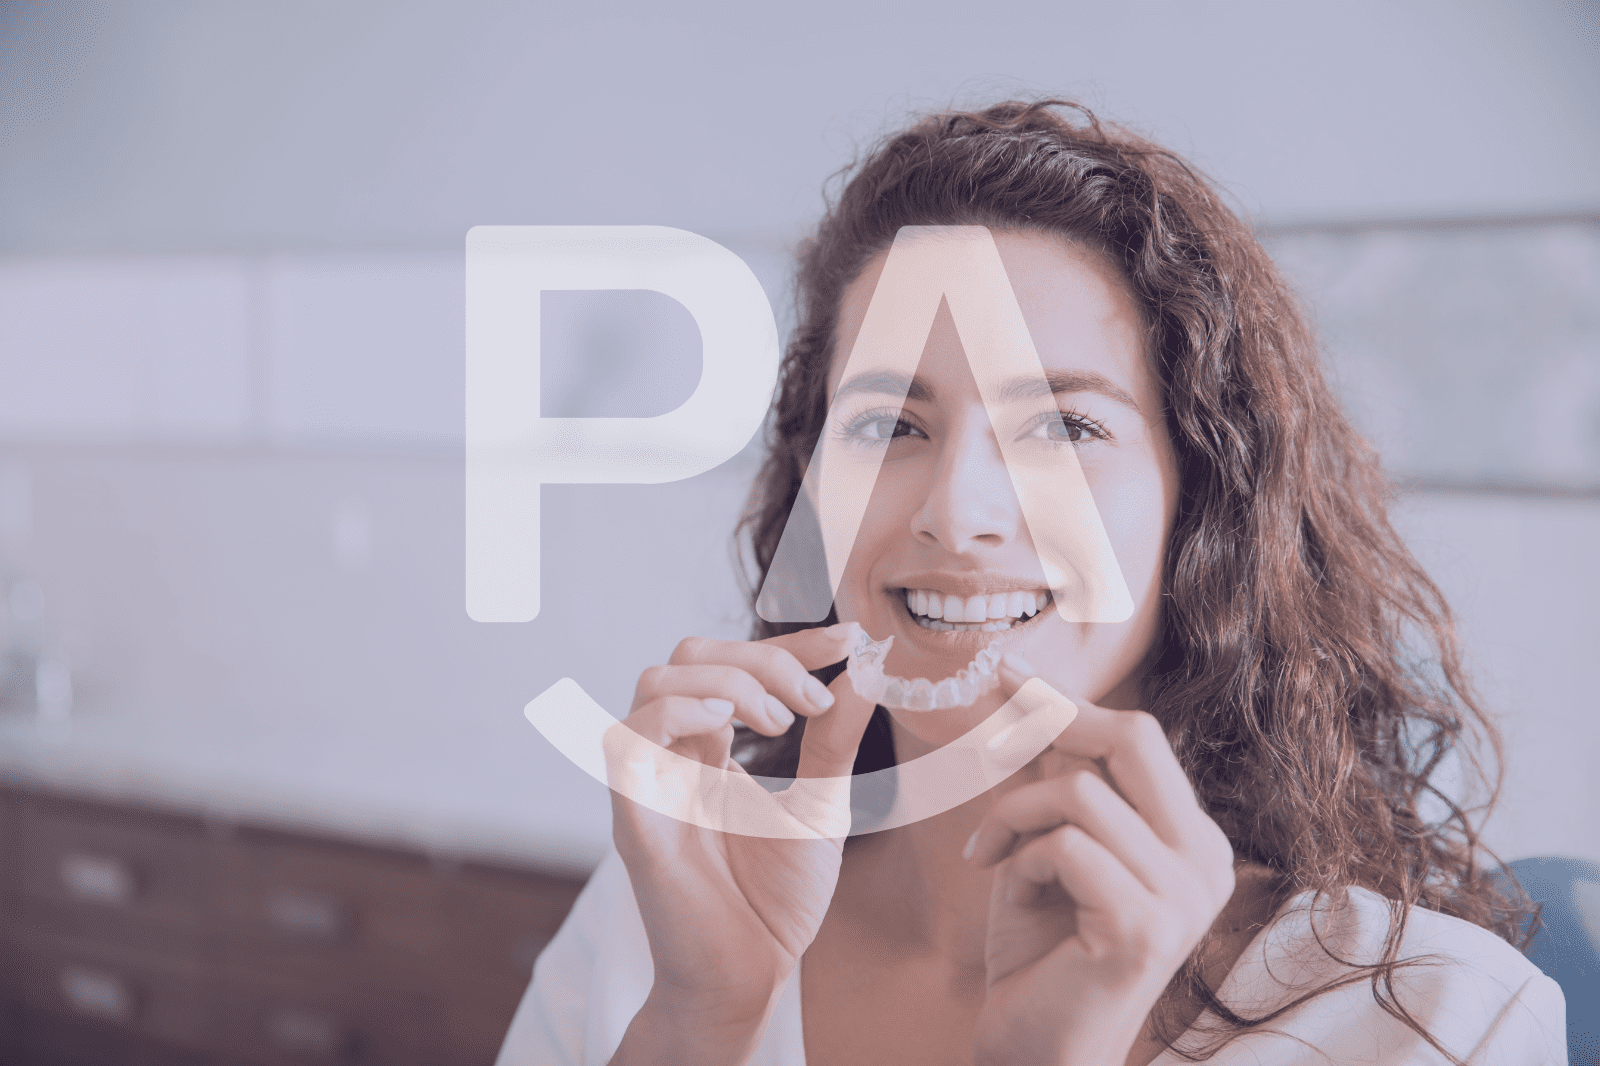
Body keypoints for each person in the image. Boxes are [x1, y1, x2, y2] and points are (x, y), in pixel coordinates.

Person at [497, 100, 1568, 1065]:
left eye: (1064, 426)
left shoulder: (1438, 1021)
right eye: (888, 423)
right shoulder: (667, 909)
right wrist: (696, 1023)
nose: (955, 509)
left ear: (1202, 509)